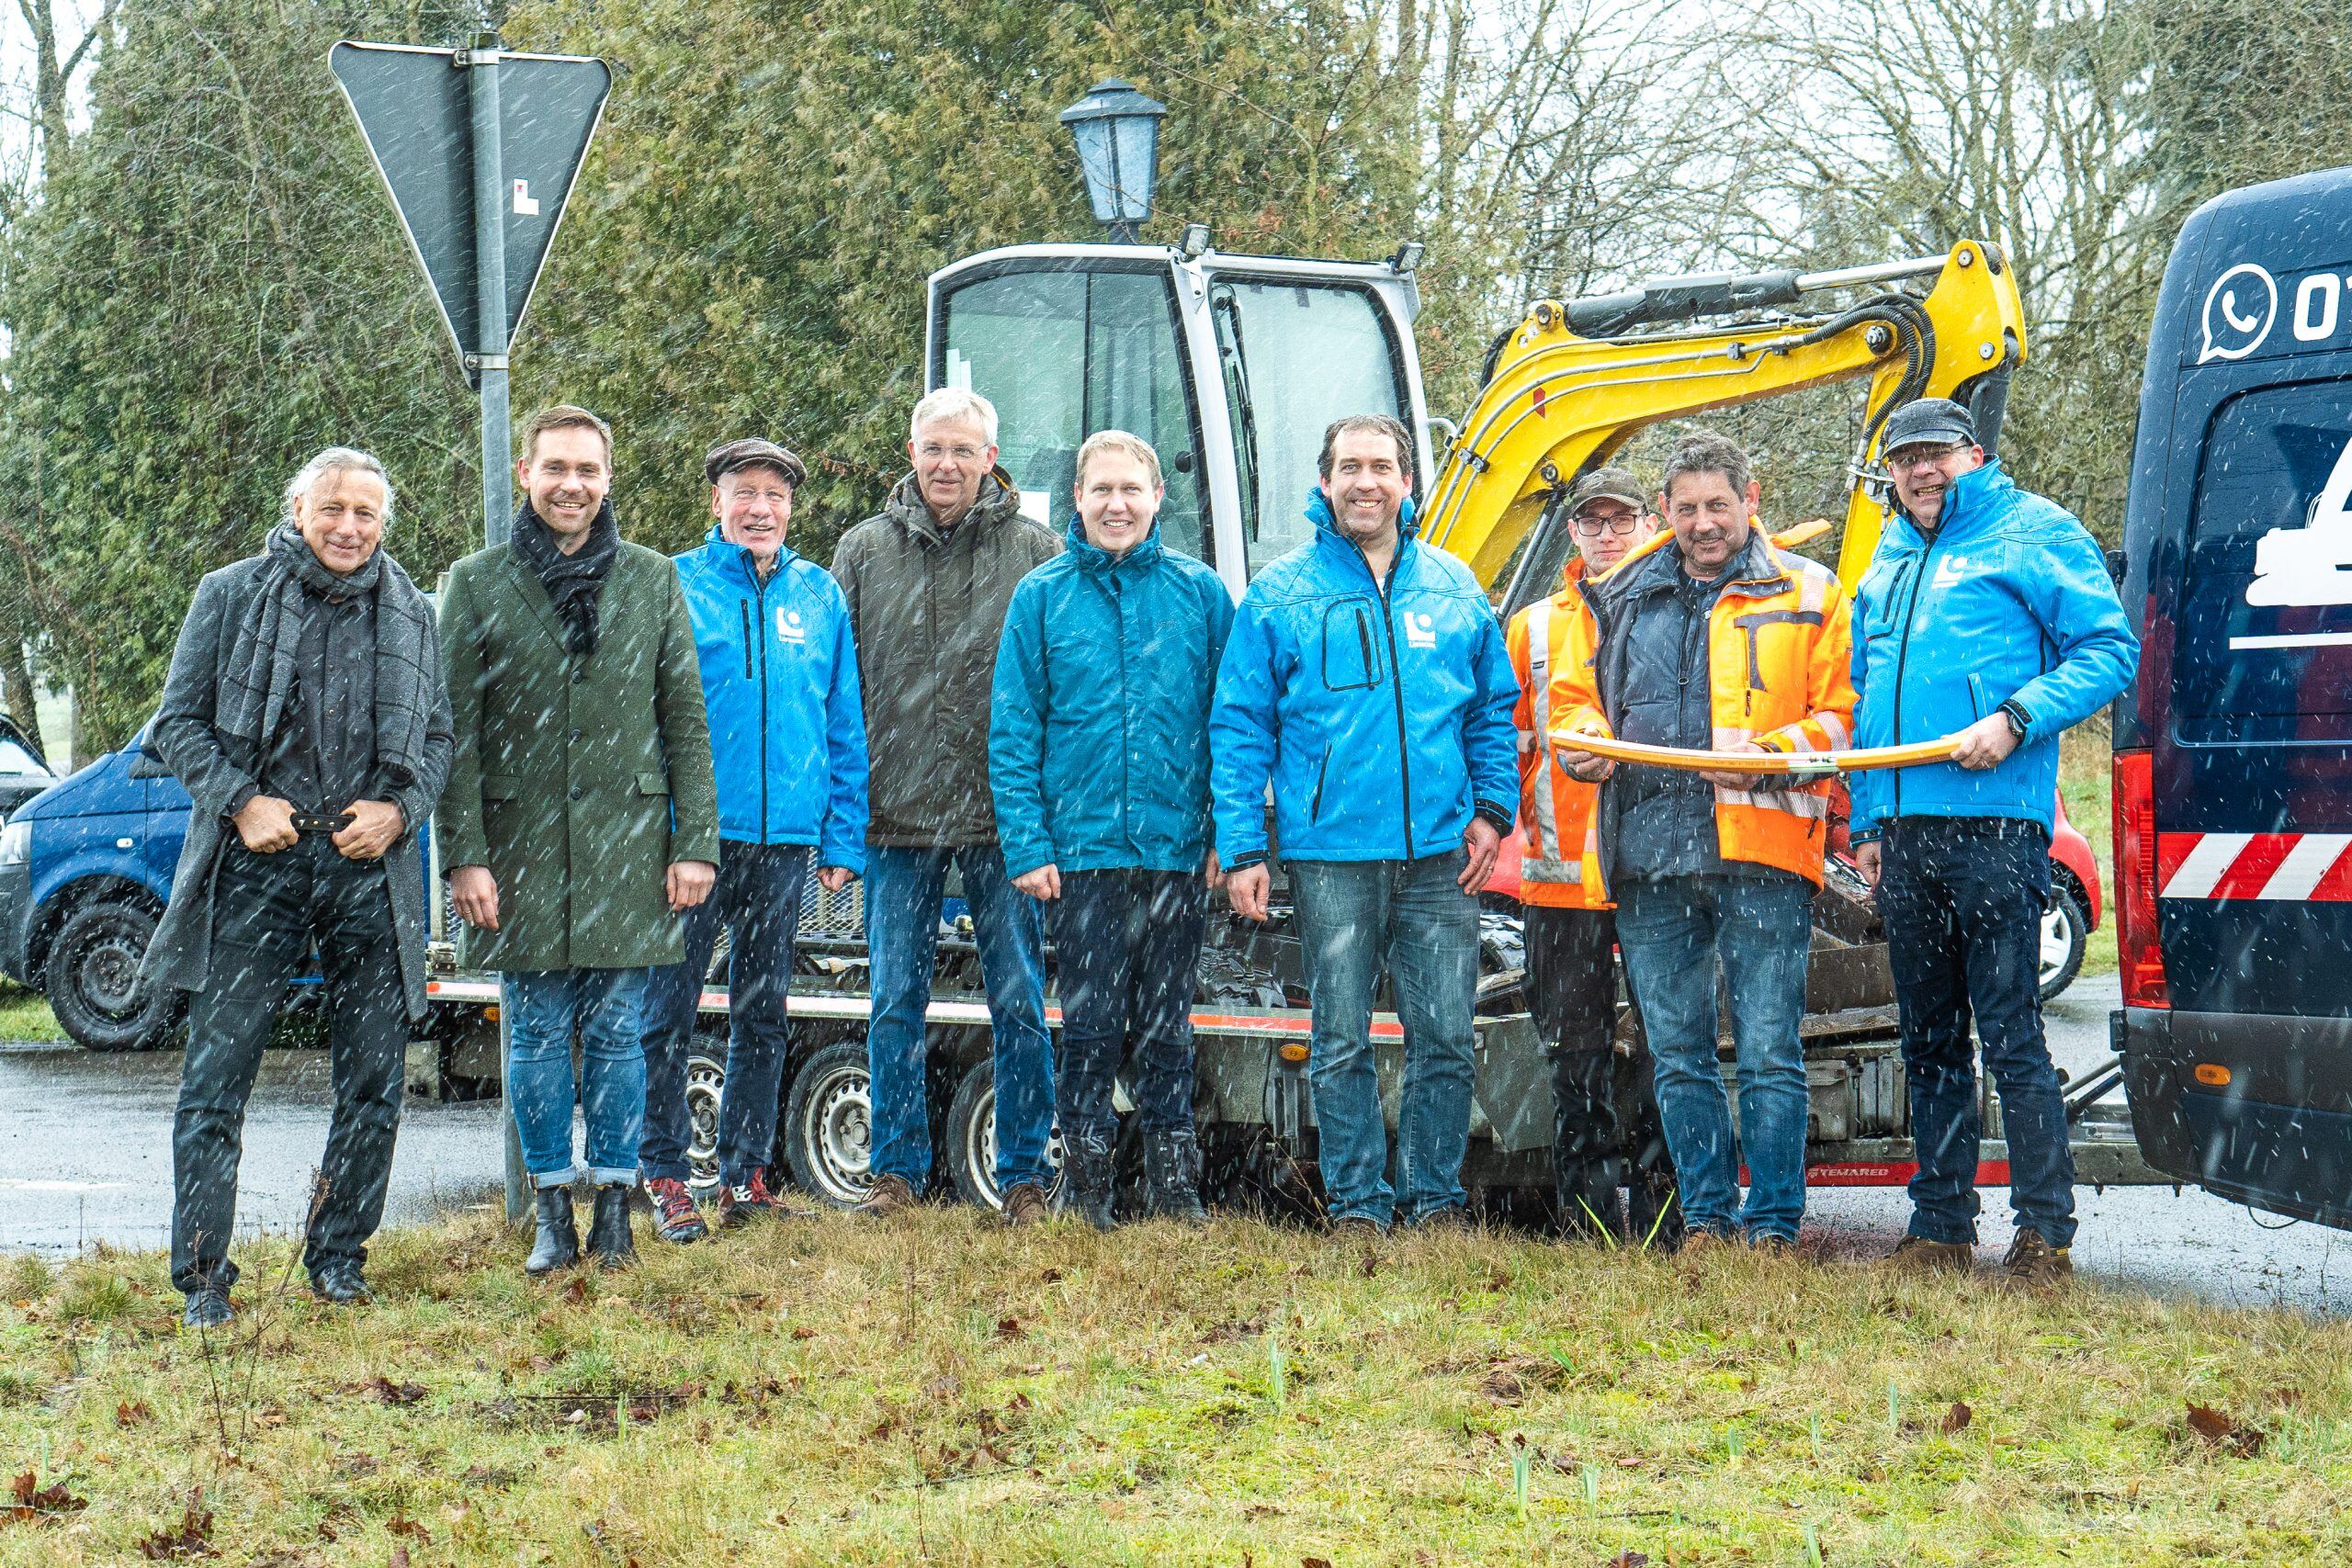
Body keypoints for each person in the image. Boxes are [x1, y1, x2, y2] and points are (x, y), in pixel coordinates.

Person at [143, 447, 454, 1326]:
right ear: (298, 510)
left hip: (367, 869)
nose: (348, 528)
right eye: (333, 510)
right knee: (218, 1075)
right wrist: (241, 803)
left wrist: (401, 811)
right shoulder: (231, 594)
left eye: (365, 513)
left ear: (383, 523)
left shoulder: (414, 612)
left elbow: (437, 741)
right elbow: (178, 726)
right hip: (256, 868)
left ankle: (339, 1257)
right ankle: (204, 1277)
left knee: (374, 1081)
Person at [1848, 398, 2137, 1287]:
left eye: (1933, 454)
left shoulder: (2032, 530)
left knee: (2008, 1030)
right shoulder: (1886, 556)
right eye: (1901, 460)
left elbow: (2107, 650)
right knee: (1926, 1037)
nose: (1917, 471)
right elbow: (1866, 693)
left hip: (1997, 829)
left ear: (1974, 453)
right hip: (1904, 832)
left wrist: (2016, 718)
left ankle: (2044, 1233)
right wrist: (1865, 820)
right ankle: (1939, 1223)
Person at [1211, 413, 1519, 1237]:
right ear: (1324, 483)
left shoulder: (1454, 586)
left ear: (1406, 482)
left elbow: (1493, 712)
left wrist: (1493, 812)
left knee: (1446, 1038)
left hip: (1438, 860)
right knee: (1340, 1037)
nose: (1365, 482)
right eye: (1349, 467)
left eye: (1381, 466)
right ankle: (1355, 1202)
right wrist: (1243, 845)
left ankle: (1434, 1201)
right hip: (1331, 858)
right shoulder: (1282, 593)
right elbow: (1240, 724)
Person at [1552, 430, 1855, 1251]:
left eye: (1718, 504)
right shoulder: (1620, 594)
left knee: (1766, 1050)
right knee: (1679, 1055)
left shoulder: (1809, 590)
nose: (1702, 522)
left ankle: (1773, 1225)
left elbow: (1843, 714)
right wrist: (1582, 736)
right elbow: (1575, 694)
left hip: (1763, 855)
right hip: (1650, 859)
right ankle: (1710, 1220)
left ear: (1750, 500)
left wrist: (1777, 754)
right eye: (1685, 508)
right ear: (1665, 512)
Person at [438, 405, 719, 1276]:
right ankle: (551, 1211)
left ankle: (615, 1211)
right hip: (517, 851)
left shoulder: (651, 578)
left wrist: (696, 840)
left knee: (617, 1034)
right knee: (533, 1031)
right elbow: (457, 730)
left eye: (587, 470)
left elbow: (684, 719)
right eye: (555, 467)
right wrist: (465, 853)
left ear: (608, 477)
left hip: (628, 846)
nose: (572, 485)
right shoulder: (478, 582)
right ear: (524, 473)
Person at [989, 430, 1235, 1229]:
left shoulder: (1200, 595)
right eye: (1102, 491)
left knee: (1168, 1025)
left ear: (1159, 497)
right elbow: (1015, 728)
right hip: (1082, 854)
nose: (1117, 504)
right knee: (1090, 1024)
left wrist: (1225, 835)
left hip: (1174, 852)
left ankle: (1174, 1183)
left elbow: (1229, 727)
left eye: (1132, 489)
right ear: (1078, 501)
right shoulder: (1043, 596)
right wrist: (1028, 845)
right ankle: (1088, 1182)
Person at [832, 389, 1060, 1223]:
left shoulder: (1037, 551)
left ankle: (1026, 1174)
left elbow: (1056, 685)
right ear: (911, 450)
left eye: (964, 451)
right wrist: (841, 811)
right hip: (894, 815)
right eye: (934, 448)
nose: (947, 465)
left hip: (1005, 821)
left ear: (991, 458)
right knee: (895, 997)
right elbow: (834, 686)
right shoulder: (861, 552)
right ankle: (896, 1172)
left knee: (1019, 999)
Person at [637, 437, 868, 1241]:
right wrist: (663, 831)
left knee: (763, 1012)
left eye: (775, 494)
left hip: (785, 845)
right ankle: (664, 1172)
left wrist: (842, 836)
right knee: (666, 1013)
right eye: (745, 492)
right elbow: (645, 720)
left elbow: (843, 721)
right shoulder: (674, 583)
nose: (760, 507)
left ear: (791, 508)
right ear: (716, 503)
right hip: (693, 842)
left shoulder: (820, 595)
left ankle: (744, 1172)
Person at [1505, 467, 1677, 1242]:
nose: (1606, 533)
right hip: (1560, 882)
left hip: (1652, 875)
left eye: (1621, 519)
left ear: (1649, 522)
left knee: (1665, 1050)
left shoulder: (1681, 610)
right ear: (1571, 530)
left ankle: (1666, 1217)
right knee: (1574, 1055)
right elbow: (1507, 743)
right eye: (1592, 521)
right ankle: (1587, 1219)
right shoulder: (1535, 625)